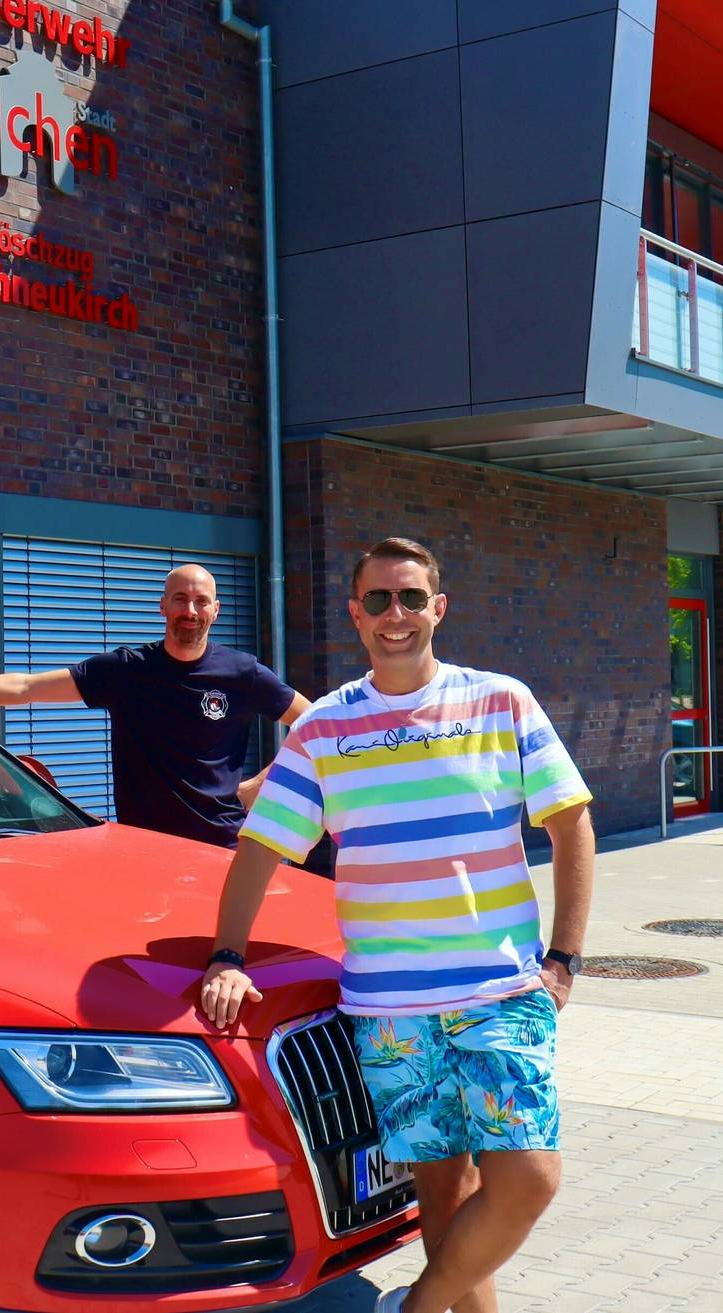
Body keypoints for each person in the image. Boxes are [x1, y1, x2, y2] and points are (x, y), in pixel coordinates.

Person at [198, 537, 595, 1313]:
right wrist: (226, 954)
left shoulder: (500, 701)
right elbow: (260, 847)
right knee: (444, 1195)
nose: (396, 615)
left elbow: (571, 824)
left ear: (438, 608)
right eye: (378, 599)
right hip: (388, 1014)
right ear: (356, 614)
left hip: (500, 992)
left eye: (411, 597)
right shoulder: (324, 730)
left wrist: (566, 958)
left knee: (527, 1177)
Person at [0, 563, 310, 847]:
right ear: (162, 606)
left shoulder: (242, 673)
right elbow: (25, 687)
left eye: (201, 601)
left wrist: (261, 786)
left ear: (216, 610)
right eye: (180, 599)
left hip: (222, 846)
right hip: (144, 850)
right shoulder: (126, 671)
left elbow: (314, 723)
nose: (190, 610)